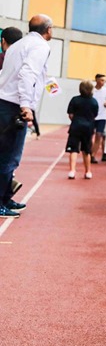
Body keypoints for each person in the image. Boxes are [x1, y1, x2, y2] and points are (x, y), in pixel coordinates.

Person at [0, 15, 53, 218]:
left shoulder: (17, 45)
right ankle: (1, 201)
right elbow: (27, 74)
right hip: (14, 105)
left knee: (7, 155)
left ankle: (5, 198)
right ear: (47, 30)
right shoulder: (39, 46)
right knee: (9, 157)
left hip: (6, 103)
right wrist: (25, 105)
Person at [66, 80, 99, 179]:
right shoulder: (94, 101)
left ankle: (72, 170)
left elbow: (70, 114)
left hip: (76, 126)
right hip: (88, 127)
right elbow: (95, 115)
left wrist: (76, 120)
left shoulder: (75, 100)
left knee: (73, 149)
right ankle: (88, 171)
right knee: (87, 150)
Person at [91, 74, 106, 164]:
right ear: (97, 80)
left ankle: (93, 155)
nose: (103, 82)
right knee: (90, 135)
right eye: (102, 80)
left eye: (104, 80)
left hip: (102, 116)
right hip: (92, 116)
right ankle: (89, 152)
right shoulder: (91, 90)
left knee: (99, 135)